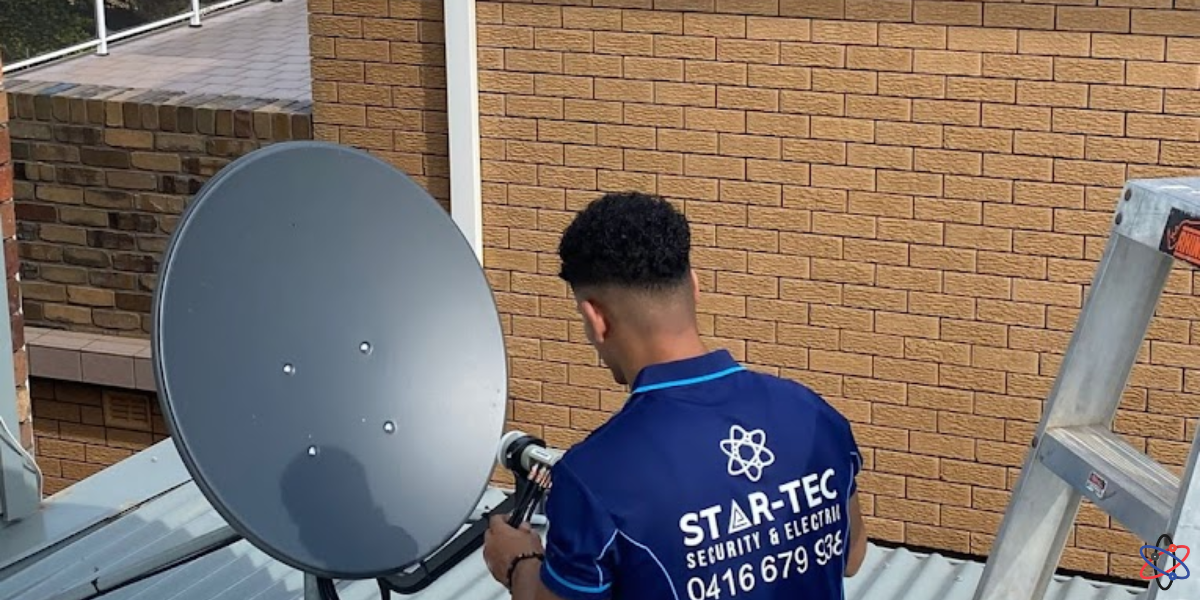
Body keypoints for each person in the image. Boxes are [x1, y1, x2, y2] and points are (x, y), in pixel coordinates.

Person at [483, 191, 867, 600]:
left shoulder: (592, 478)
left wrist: (517, 562)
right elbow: (852, 556)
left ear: (596, 319)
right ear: (695, 286)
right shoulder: (814, 415)